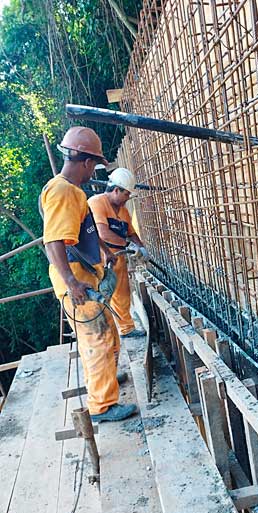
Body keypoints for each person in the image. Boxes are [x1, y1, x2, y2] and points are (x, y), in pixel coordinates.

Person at [40, 126, 137, 423]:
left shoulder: (70, 191)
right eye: (94, 163)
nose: (93, 169)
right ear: (84, 161)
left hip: (83, 274)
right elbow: (54, 240)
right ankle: (102, 406)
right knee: (99, 338)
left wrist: (105, 254)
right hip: (77, 281)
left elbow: (83, 235)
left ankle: (106, 381)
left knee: (105, 334)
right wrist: (72, 282)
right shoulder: (63, 191)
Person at [88, 167, 149, 338]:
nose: (128, 198)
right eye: (126, 194)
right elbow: (103, 233)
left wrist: (141, 246)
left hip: (118, 257)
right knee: (102, 294)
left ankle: (126, 329)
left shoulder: (122, 210)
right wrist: (129, 245)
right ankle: (102, 334)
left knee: (122, 294)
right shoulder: (97, 203)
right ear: (116, 190)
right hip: (100, 256)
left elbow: (131, 232)